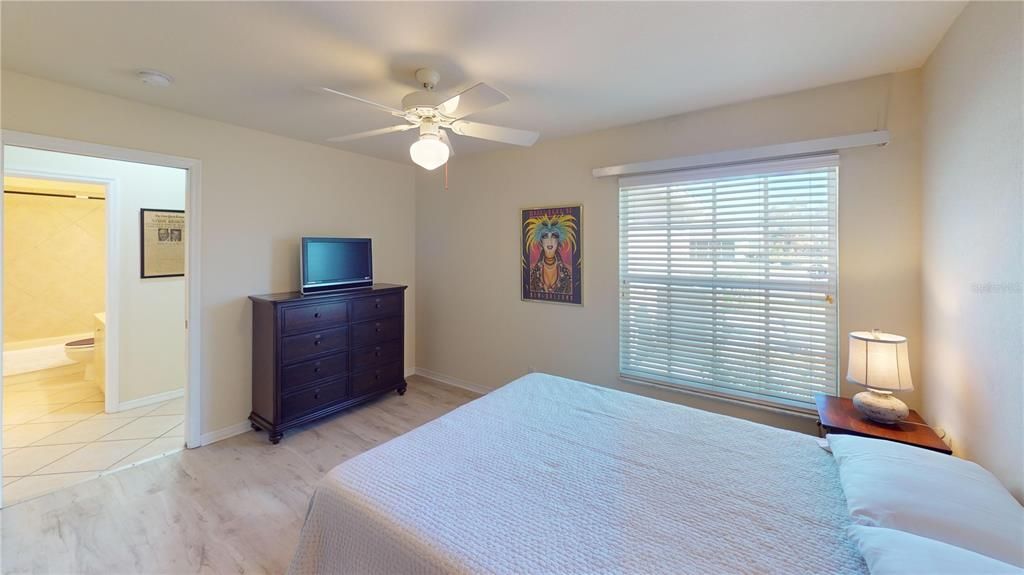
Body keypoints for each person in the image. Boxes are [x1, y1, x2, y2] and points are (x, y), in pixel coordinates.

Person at [523, 213, 577, 295]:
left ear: (558, 241)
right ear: (541, 241)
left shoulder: (569, 271)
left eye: (554, 236)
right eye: (545, 237)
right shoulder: (531, 271)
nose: (550, 241)